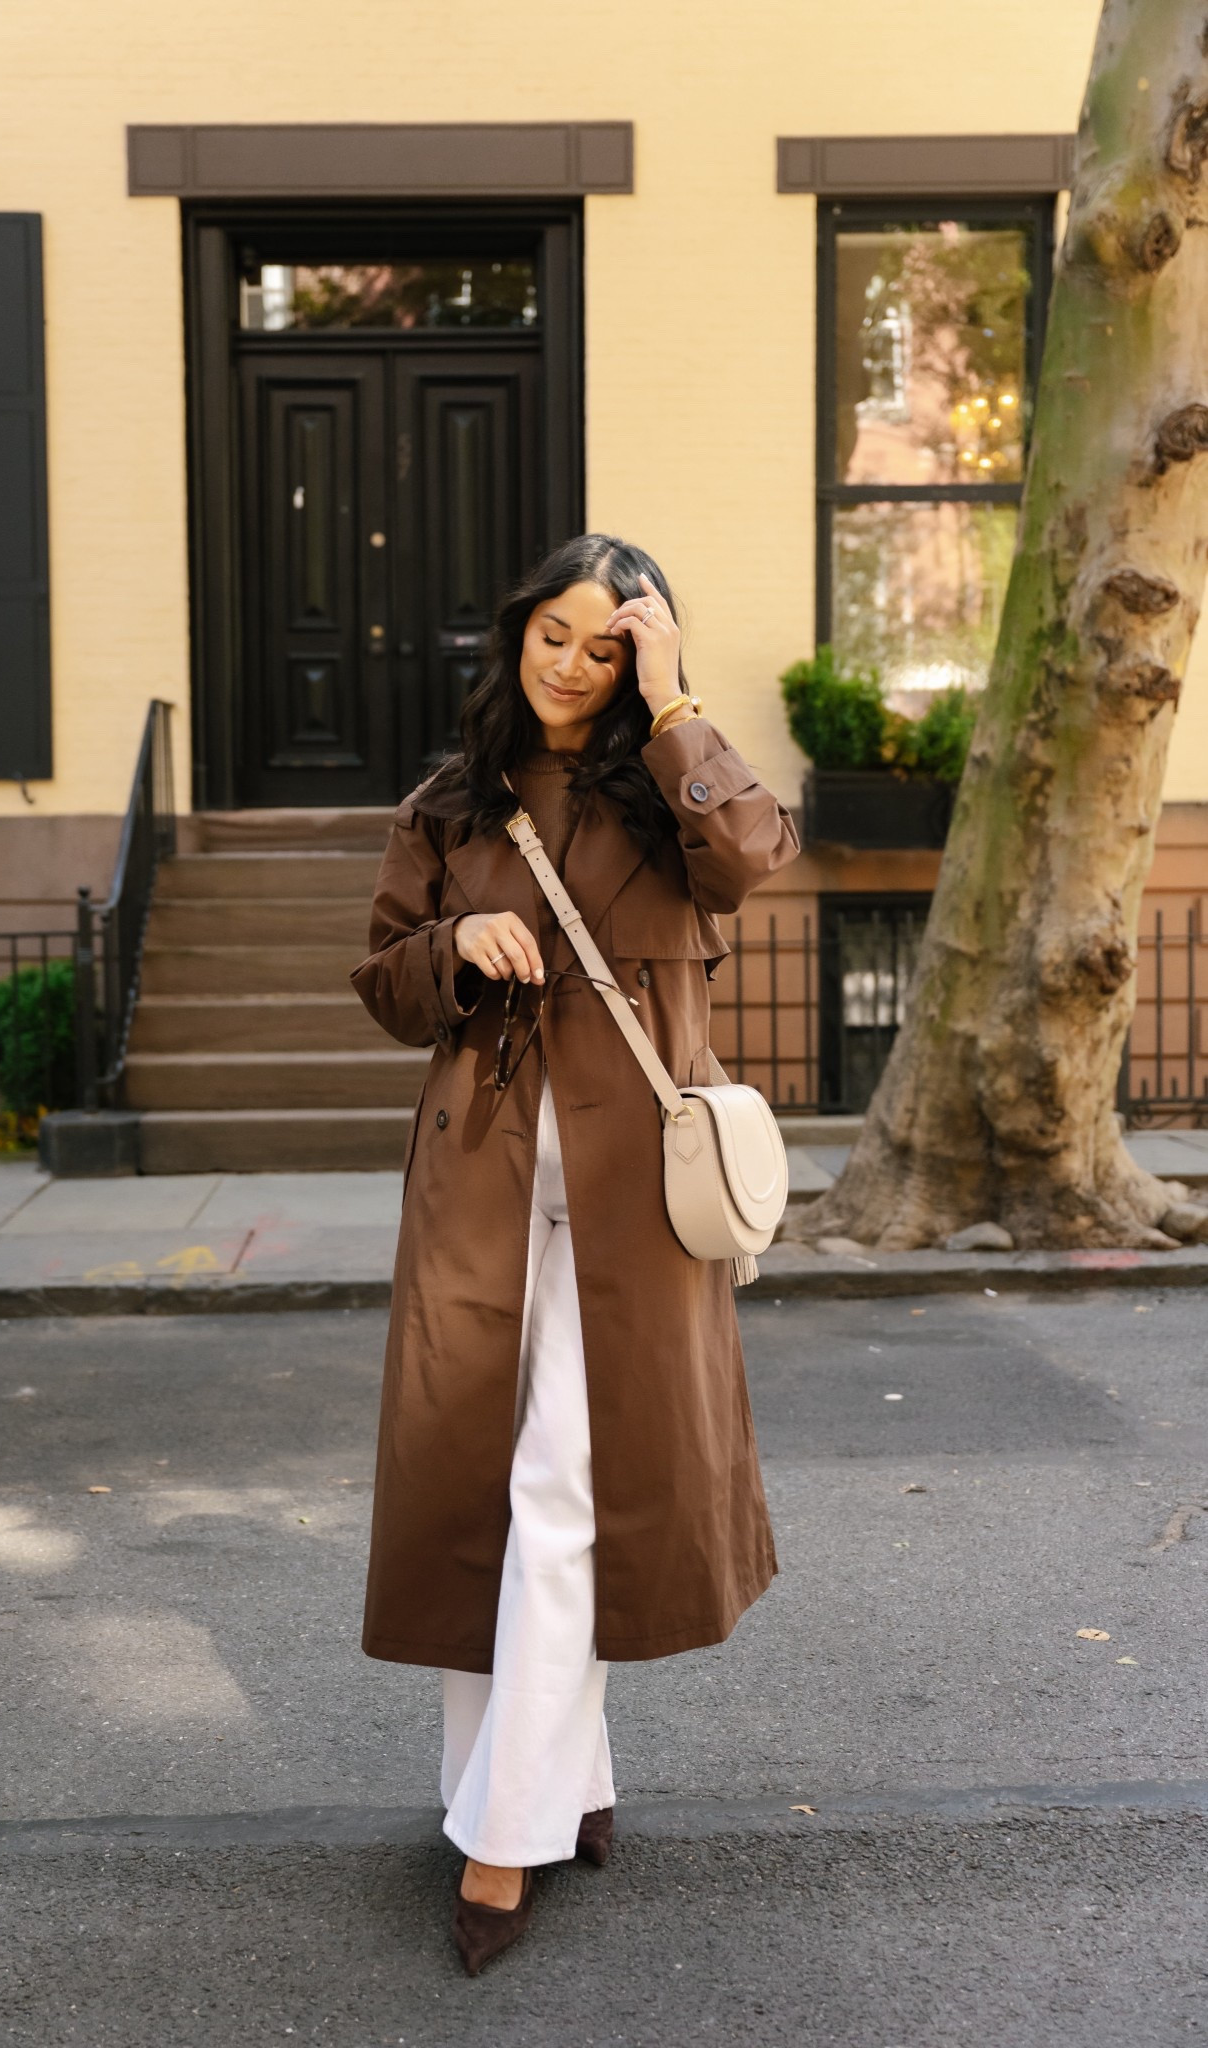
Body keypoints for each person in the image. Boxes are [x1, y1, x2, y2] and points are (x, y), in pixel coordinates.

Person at [349, 533, 800, 1973]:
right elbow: (380, 981)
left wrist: (671, 702)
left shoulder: (673, 797)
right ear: (516, 633)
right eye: (554, 632)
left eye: (605, 644)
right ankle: (554, 1783)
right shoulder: (451, 803)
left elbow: (751, 857)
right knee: (494, 1494)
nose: (569, 662)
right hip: (479, 1192)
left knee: (564, 1492)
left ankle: (502, 1837)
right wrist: (456, 938)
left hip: (632, 1208)